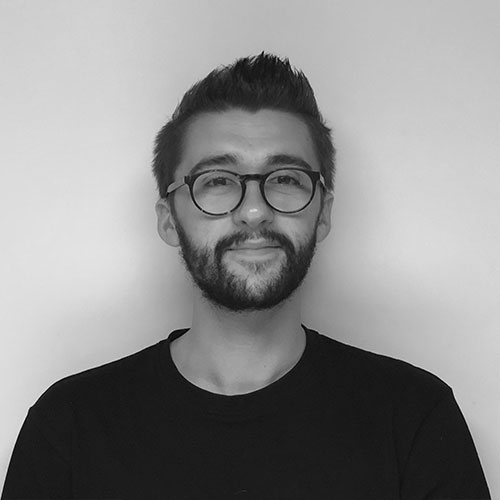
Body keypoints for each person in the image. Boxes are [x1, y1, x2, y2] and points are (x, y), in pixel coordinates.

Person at [2, 53, 490, 500]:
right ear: (169, 220)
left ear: (322, 213)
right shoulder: (68, 426)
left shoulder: (414, 418)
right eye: (217, 181)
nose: (254, 211)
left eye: (286, 179)